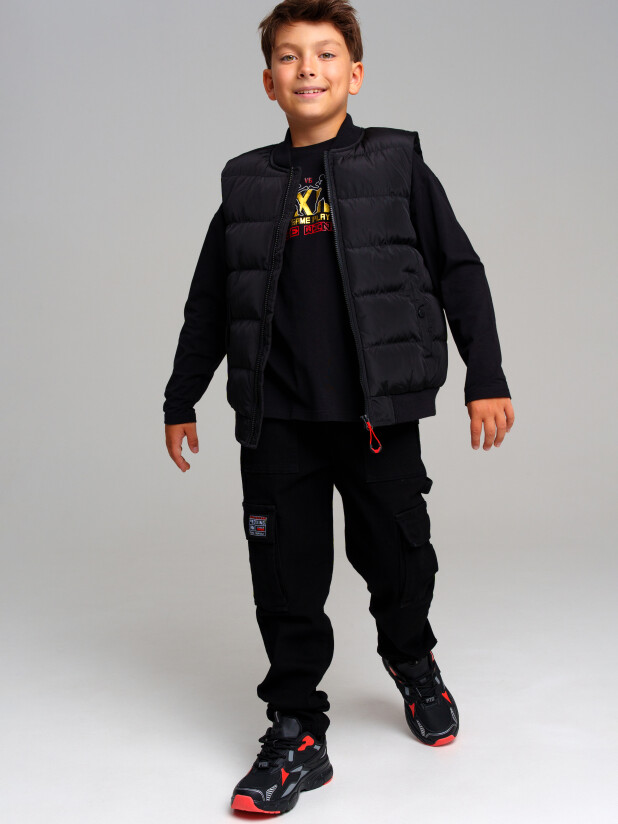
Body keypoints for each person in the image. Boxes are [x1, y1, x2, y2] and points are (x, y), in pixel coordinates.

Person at [163, 0, 515, 815]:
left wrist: (486, 375)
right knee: (284, 580)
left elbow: (459, 270)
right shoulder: (248, 184)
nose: (308, 69)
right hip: (279, 422)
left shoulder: (395, 165)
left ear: (354, 74)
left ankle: (411, 658)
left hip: (375, 417)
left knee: (399, 558)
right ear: (269, 82)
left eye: (325, 54)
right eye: (290, 56)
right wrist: (182, 396)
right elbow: (211, 300)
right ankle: (296, 731)